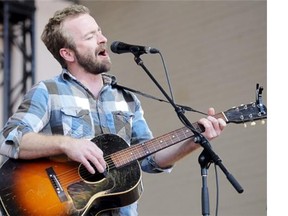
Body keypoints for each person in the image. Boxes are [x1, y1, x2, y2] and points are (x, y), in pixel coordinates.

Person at [0, 4, 226, 216]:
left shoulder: (126, 99)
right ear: (67, 54)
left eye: (99, 31)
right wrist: (67, 144)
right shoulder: (48, 92)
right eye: (90, 36)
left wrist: (194, 140)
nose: (103, 39)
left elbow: (150, 160)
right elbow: (9, 137)